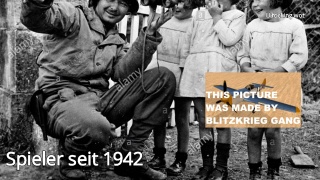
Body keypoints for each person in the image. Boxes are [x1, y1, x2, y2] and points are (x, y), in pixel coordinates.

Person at [20, 0, 176, 180]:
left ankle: (130, 157)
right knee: (97, 127)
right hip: (58, 102)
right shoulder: (73, 16)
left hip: (99, 102)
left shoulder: (116, 39)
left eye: (123, 3)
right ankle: (71, 164)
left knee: (163, 78)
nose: (115, 7)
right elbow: (36, 19)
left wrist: (148, 35)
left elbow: (121, 73)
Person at [237, 0, 308, 179]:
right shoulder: (252, 25)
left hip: (281, 83)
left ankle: (273, 171)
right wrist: (246, 67)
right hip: (255, 85)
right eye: (253, 0)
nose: (254, 4)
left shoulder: (294, 25)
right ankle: (254, 171)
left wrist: (276, 73)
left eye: (260, 0)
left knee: (271, 130)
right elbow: (243, 53)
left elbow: (299, 56)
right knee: (253, 130)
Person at [179, 0, 246, 179]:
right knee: (204, 120)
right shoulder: (199, 14)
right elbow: (188, 40)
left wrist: (216, 17)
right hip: (197, 67)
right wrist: (184, 65)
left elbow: (229, 39)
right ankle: (207, 165)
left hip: (220, 69)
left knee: (222, 121)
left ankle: (221, 168)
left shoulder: (237, 16)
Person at [146, 0, 196, 176]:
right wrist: (152, 8)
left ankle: (180, 158)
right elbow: (149, 35)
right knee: (160, 115)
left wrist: (186, 75)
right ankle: (159, 155)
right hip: (160, 70)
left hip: (182, 72)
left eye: (185, 3)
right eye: (176, 2)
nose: (178, 7)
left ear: (194, 5)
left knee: (182, 117)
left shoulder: (195, 24)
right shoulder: (163, 18)